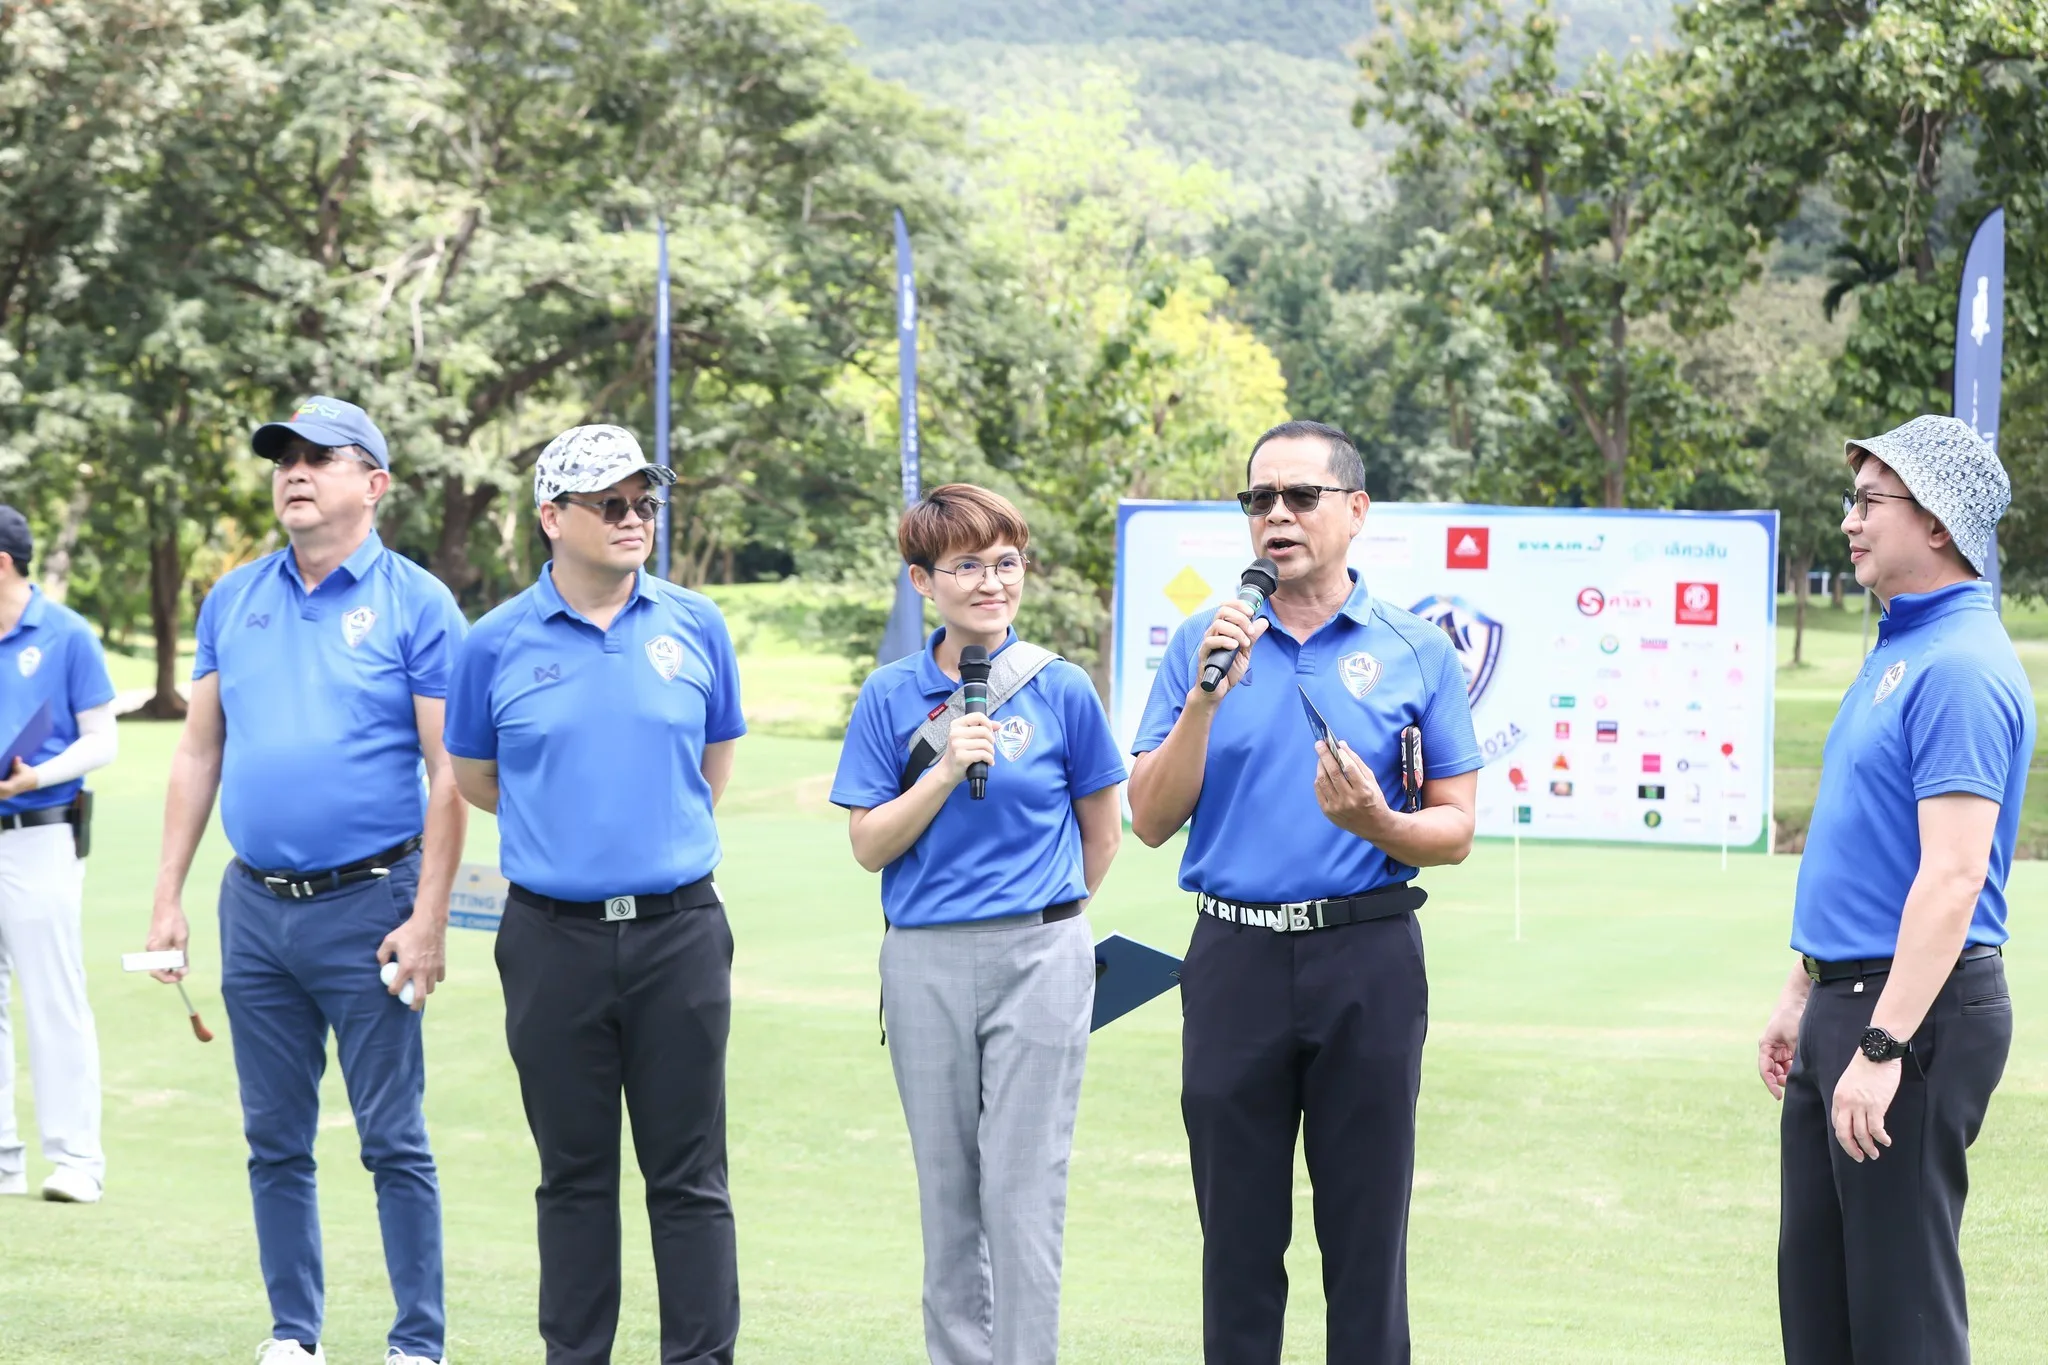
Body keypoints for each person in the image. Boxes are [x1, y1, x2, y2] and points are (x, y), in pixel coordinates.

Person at [1127, 420, 1481, 1365]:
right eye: (1259, 498)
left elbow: (1455, 828)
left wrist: (1380, 824)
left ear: (1356, 510)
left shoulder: (1416, 648)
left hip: (1366, 957)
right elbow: (1150, 818)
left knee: (1366, 1239)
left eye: (1300, 496)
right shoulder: (1203, 642)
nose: (1276, 515)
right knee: (1236, 1241)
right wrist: (1205, 698)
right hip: (1233, 958)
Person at [143, 396, 468, 1365]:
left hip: (373, 906)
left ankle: (415, 1343)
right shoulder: (231, 599)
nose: (294, 469)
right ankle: (293, 1333)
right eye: (284, 455)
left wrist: (430, 915)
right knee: (274, 1139)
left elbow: (450, 772)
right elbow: (198, 753)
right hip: (254, 909)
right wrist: (167, 896)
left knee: (391, 1138)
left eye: (321, 456)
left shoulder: (417, 603)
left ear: (374, 483)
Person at [444, 424, 746, 1365]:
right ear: (552, 516)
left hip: (679, 932)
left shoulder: (696, 623)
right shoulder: (494, 641)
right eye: (610, 503)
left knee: (689, 1178)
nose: (633, 518)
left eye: (644, 502)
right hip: (551, 938)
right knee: (573, 1178)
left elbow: (710, 765)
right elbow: (477, 777)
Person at [829, 484, 1126, 1365]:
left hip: (1042, 954)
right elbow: (868, 845)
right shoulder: (889, 695)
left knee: (1024, 1189)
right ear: (923, 580)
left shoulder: (1062, 687)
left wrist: (1048, 924)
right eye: (967, 565)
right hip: (924, 960)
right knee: (948, 1190)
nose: (993, 582)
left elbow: (1102, 834)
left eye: (1007, 562)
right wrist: (942, 772)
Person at [1759, 415, 2033, 1365]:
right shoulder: (1899, 647)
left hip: (1913, 1011)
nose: (1849, 521)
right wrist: (1803, 988)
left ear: (1940, 523)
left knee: (1899, 1320)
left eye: (1871, 501)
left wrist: (1882, 1043)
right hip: (1850, 998)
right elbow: (1863, 845)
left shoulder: (1959, 666)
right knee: (1822, 1311)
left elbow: (1953, 875)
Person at [0, 504, 118, 1204]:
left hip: (40, 831)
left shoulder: (66, 634)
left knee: (52, 994)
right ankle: (2, 1160)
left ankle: (76, 1160)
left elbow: (102, 739)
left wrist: (36, 774)